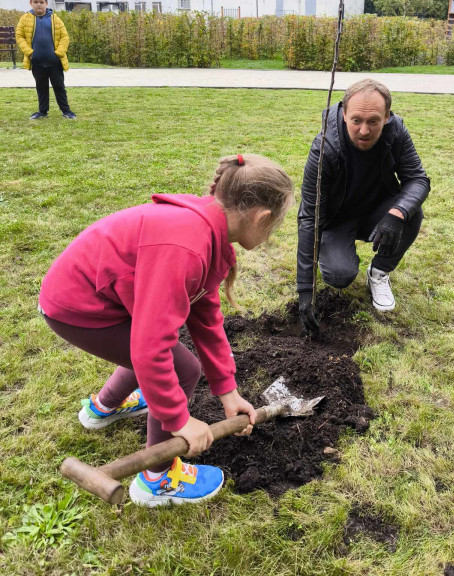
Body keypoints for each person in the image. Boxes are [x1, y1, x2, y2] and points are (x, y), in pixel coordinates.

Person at [38, 154, 294, 507]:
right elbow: (149, 347)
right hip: (80, 307)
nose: (270, 234)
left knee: (159, 351)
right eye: (274, 226)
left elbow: (205, 319)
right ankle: (157, 478)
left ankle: (104, 408)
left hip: (95, 296)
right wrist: (179, 419)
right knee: (180, 367)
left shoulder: (208, 232)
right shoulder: (186, 247)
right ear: (261, 216)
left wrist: (228, 392)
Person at [297, 79, 430, 334]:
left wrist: (397, 212)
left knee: (411, 211)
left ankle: (378, 272)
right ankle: (340, 255)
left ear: (387, 117)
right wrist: (305, 291)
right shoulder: (325, 147)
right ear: (344, 114)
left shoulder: (397, 132)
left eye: (373, 122)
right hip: (337, 219)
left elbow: (417, 180)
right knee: (339, 276)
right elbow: (309, 217)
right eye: (356, 120)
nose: (364, 131)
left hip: (378, 213)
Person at [15, 0, 76, 120]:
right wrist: (29, 52)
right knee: (41, 87)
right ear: (30, 3)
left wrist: (58, 53)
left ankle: (66, 111)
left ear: (46, 3)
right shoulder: (25, 19)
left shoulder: (55, 19)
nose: (39, 5)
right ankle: (42, 111)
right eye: (35, 2)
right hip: (37, 61)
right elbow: (19, 36)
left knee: (59, 87)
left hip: (54, 62)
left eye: (41, 2)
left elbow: (65, 37)